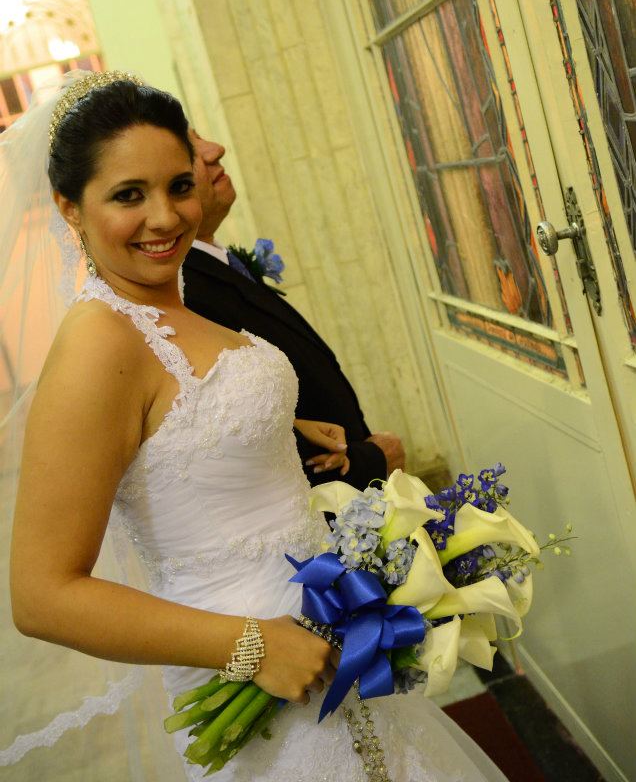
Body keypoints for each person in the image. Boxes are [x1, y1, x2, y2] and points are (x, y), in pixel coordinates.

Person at [7, 72, 508, 782]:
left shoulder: (169, 305)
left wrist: (278, 423)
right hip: (253, 670)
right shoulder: (97, 341)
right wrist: (252, 646)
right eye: (128, 195)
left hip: (331, 636)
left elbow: (173, 419)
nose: (165, 217)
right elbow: (42, 596)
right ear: (71, 208)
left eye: (179, 186)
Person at [183, 128, 406, 490]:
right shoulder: (185, 298)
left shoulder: (215, 266)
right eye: (189, 147)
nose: (215, 149)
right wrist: (372, 461)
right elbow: (240, 438)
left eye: (199, 135)